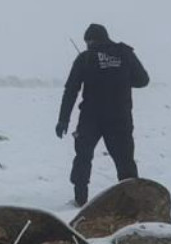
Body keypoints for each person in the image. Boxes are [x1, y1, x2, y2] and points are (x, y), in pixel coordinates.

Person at [56, 23, 150, 206]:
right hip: (120, 117)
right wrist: (119, 77)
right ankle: (131, 202)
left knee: (83, 156)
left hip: (91, 117)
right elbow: (143, 80)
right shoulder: (125, 53)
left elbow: (71, 90)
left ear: (90, 40)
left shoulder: (85, 58)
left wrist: (63, 119)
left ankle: (80, 199)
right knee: (125, 160)